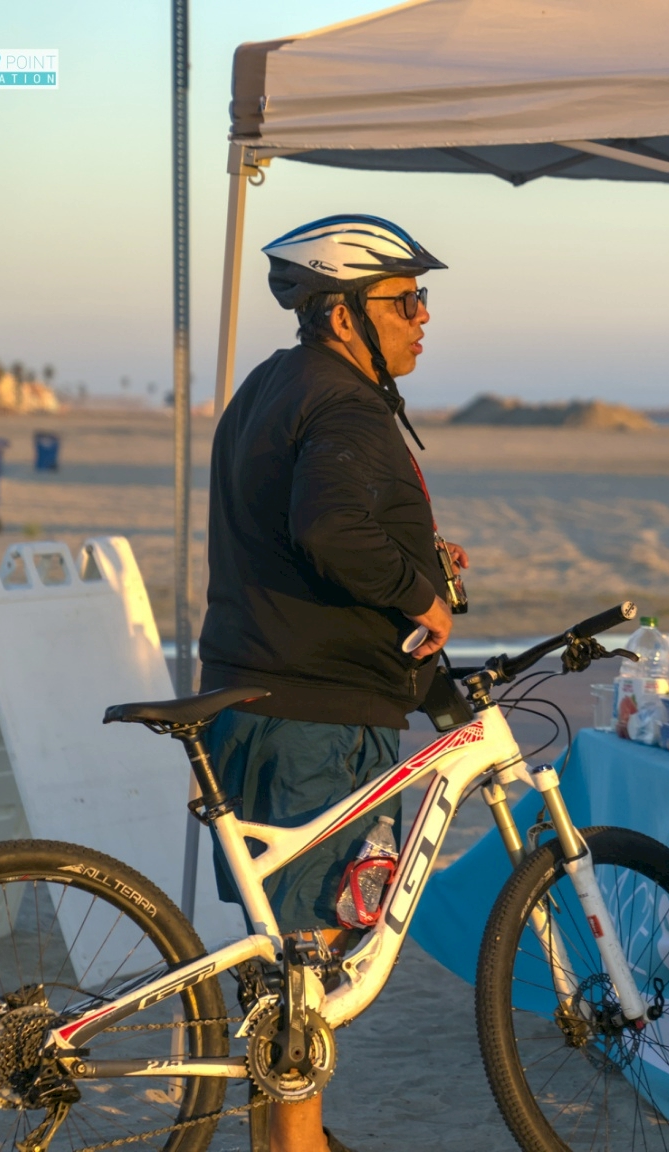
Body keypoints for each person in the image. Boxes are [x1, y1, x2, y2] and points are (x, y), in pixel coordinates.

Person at [199, 213, 463, 1152]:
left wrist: (414, 554)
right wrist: (419, 596)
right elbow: (327, 530)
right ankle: (296, 1143)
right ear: (343, 313)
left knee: (289, 956)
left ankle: (291, 1139)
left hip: (258, 690)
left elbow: (300, 522)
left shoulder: (275, 384)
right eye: (404, 300)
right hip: (312, 708)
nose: (424, 317)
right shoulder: (347, 402)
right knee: (309, 952)